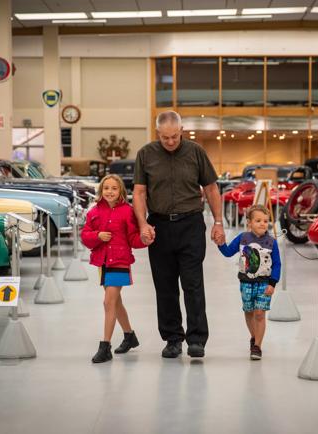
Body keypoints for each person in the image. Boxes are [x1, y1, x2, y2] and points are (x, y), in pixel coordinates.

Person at [133, 110, 225, 359]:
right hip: (159, 227)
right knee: (165, 287)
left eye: (175, 137)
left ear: (182, 131)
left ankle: (197, 340)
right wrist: (143, 224)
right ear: (158, 134)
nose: (171, 142)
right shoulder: (146, 154)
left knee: (193, 284)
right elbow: (139, 193)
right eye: (165, 138)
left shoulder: (196, 152)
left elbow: (211, 188)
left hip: (191, 225)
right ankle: (173, 338)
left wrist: (218, 222)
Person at [81, 174, 147, 364]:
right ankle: (129, 336)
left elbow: (133, 238)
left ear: (121, 192)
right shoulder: (93, 212)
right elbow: (85, 236)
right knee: (115, 302)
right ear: (101, 190)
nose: (110, 191)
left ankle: (105, 346)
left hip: (120, 260)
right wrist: (97, 236)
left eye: (114, 188)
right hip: (103, 262)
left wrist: (145, 239)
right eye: (106, 188)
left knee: (108, 302)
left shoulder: (127, 211)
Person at [216, 205, 281, 360]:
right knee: (249, 311)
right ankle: (254, 336)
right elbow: (228, 252)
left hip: (264, 283)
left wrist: (272, 283)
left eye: (265, 221)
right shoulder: (242, 238)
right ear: (249, 223)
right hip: (246, 282)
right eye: (258, 220)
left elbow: (277, 264)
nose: (262, 224)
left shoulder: (272, 242)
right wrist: (221, 243)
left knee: (260, 313)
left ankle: (257, 346)